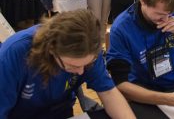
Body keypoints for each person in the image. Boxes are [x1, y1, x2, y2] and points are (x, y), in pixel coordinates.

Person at [0, 9, 135, 119]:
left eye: (86, 65)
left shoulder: (89, 49)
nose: (81, 72)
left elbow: (109, 93)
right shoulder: (13, 55)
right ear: (52, 49)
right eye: (73, 66)